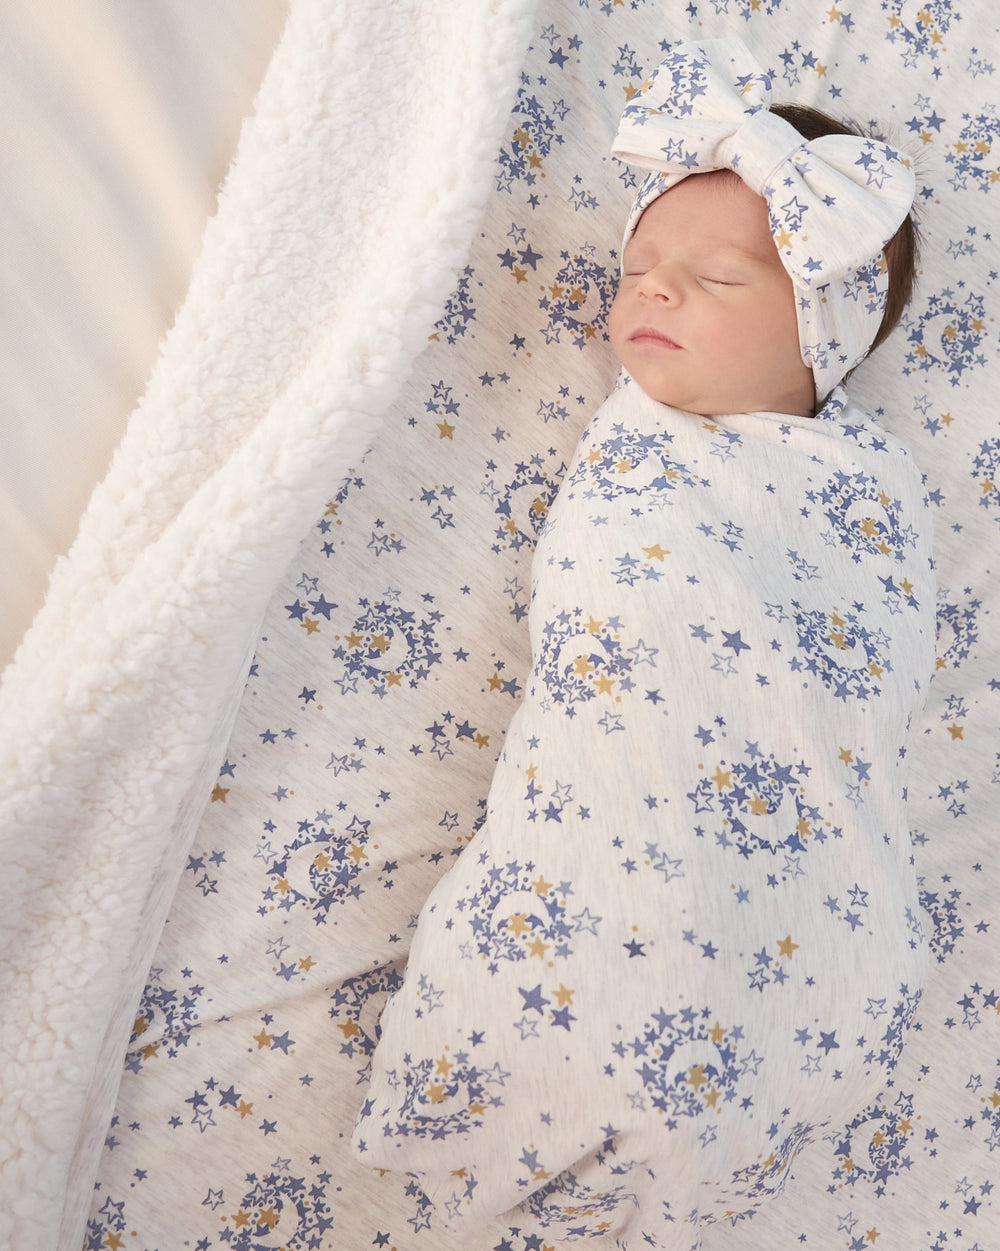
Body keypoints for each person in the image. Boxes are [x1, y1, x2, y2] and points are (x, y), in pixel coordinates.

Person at [353, 37, 936, 1250]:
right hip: (604, 835)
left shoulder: (866, 489)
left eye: (717, 282)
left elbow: (869, 682)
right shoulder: (639, 446)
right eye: (636, 268)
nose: (650, 293)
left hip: (820, 897)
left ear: (824, 336)